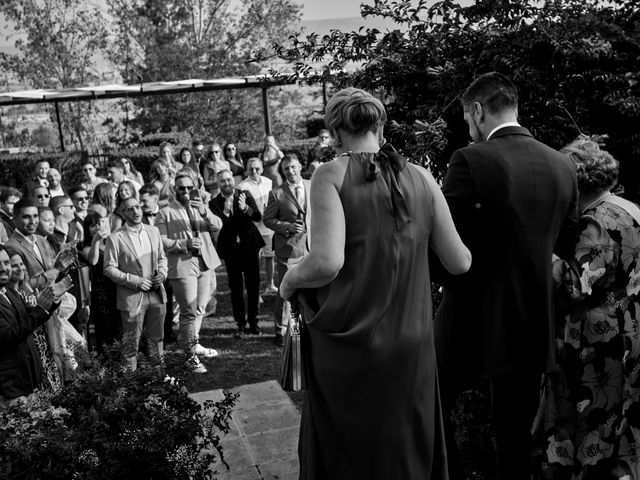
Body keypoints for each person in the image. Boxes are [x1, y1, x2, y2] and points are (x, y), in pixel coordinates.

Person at [279, 87, 471, 479]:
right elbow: (459, 261)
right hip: (413, 342)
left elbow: (327, 262)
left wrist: (289, 279)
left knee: (354, 451)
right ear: (380, 128)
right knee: (406, 445)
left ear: (335, 132)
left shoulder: (330, 175)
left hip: (353, 342)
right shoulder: (420, 176)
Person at [433, 72, 579, 480]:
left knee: (430, 401)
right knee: (514, 434)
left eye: (466, 117)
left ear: (477, 111)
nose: (469, 128)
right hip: (534, 320)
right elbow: (565, 247)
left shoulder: (471, 159)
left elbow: (443, 241)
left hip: (471, 317)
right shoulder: (563, 165)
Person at [532, 138, 640, 478]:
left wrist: (535, 250)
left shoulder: (597, 221)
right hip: (627, 335)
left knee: (591, 434)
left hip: (594, 350)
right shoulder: (630, 209)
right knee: (621, 433)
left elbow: (576, 285)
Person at [156, 169, 223, 373]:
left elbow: (218, 225)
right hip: (182, 265)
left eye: (189, 187)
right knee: (188, 311)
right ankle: (189, 356)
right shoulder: (165, 212)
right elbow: (160, 240)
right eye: (181, 188)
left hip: (204, 262)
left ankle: (194, 343)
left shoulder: (199, 207)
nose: (185, 191)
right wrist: (183, 243)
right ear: (175, 190)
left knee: (201, 308)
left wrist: (205, 211)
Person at [103, 196, 167, 371]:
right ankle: (129, 384)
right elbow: (109, 268)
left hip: (156, 293)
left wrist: (162, 273)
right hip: (132, 297)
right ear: (123, 213)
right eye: (130, 209)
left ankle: (158, 376)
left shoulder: (153, 231)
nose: (135, 211)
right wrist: (135, 281)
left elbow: (162, 258)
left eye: (137, 207)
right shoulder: (115, 238)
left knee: (157, 339)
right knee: (131, 345)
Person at [0, 246, 58, 405]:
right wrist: (40, 310)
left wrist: (51, 302)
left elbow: (30, 315)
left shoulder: (8, 291)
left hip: (28, 380)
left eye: (5, 263)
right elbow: (7, 336)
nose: (3, 268)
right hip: (10, 387)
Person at [210, 170, 264, 337]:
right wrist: (226, 214)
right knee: (236, 287)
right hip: (231, 249)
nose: (226, 183)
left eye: (228, 180)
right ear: (218, 184)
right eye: (222, 181)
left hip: (249, 245)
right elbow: (219, 226)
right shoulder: (214, 203)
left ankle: (254, 322)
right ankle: (240, 323)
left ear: (233, 180)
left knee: (253, 285)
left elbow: (257, 216)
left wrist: (245, 207)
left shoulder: (245, 194)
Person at [264, 154, 310, 346]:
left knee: (309, 289)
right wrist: (287, 226)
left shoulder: (312, 185)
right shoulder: (277, 193)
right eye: (286, 169)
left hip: (310, 248)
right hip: (288, 250)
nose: (290, 172)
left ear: (300, 166)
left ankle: (306, 326)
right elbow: (267, 219)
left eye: (293, 167)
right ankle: (280, 330)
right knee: (286, 290)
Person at [139, 183, 177, 345]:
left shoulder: (166, 214)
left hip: (167, 263)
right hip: (146, 266)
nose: (141, 205)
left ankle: (167, 334)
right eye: (140, 201)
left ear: (155, 198)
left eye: (144, 201)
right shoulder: (138, 217)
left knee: (167, 301)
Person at [81, 211, 119, 353]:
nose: (97, 227)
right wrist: (96, 240)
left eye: (99, 224)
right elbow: (93, 261)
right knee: (104, 327)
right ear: (87, 229)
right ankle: (106, 362)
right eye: (92, 225)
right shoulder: (87, 248)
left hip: (116, 288)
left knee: (118, 326)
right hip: (101, 292)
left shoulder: (112, 242)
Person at [239, 158, 277, 293]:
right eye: (251, 169)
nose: (254, 171)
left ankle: (270, 284)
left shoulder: (269, 182)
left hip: (269, 227)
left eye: (257, 168)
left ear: (261, 168)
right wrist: (255, 215)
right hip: (253, 228)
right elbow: (243, 209)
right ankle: (253, 288)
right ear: (247, 170)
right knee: (253, 260)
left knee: (269, 257)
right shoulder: (242, 186)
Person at [6, 198, 59, 291]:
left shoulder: (41, 240)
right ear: (14, 219)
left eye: (35, 216)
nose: (33, 221)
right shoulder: (11, 247)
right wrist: (56, 270)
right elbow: (22, 286)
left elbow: (55, 272)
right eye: (26, 217)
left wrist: (63, 262)